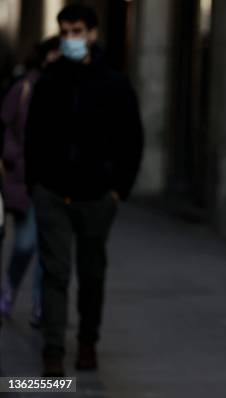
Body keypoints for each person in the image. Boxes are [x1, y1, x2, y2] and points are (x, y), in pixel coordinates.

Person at [25, 4, 143, 376]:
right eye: (64, 32)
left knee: (91, 273)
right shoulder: (49, 81)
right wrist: (36, 185)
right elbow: (33, 136)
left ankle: (88, 340)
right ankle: (54, 350)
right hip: (53, 194)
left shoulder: (114, 83)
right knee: (55, 272)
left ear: (91, 34)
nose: (70, 39)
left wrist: (118, 191)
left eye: (76, 31)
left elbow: (131, 140)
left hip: (97, 196)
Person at [0, 37, 60, 327]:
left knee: (49, 250)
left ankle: (40, 303)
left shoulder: (69, 89)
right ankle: (10, 287)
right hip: (26, 180)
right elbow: (4, 128)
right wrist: (14, 157)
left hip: (57, 183)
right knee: (25, 243)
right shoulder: (24, 88)